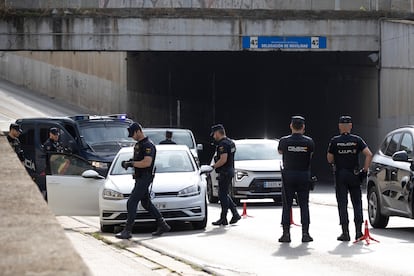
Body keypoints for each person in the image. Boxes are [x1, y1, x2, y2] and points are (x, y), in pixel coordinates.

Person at [116, 122, 171, 239]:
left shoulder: (148, 145)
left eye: (133, 134)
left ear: (138, 131)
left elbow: (147, 162)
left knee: (131, 202)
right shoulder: (139, 145)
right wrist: (129, 163)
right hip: (139, 177)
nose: (132, 137)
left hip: (145, 177)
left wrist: (132, 163)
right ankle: (162, 224)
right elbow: (138, 159)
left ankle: (127, 230)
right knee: (145, 203)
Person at [327, 115, 373, 241]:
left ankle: (345, 233)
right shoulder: (357, 140)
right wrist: (364, 170)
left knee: (342, 204)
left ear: (339, 126)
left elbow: (329, 159)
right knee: (357, 203)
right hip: (354, 175)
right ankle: (358, 232)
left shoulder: (335, 141)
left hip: (341, 175)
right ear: (351, 126)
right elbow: (369, 154)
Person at [278, 116, 315, 243]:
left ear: (291, 126)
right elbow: (310, 156)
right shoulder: (309, 142)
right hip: (304, 175)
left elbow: (280, 152)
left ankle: (286, 234)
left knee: (287, 205)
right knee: (304, 205)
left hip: (288, 175)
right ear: (303, 127)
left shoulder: (284, 141)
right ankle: (305, 233)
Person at [209, 124, 241, 226]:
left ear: (218, 133)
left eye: (214, 134)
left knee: (222, 195)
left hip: (225, 172)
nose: (214, 137)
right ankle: (235, 214)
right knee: (224, 194)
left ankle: (223, 218)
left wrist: (213, 167)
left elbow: (223, 159)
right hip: (230, 170)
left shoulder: (222, 144)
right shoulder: (231, 142)